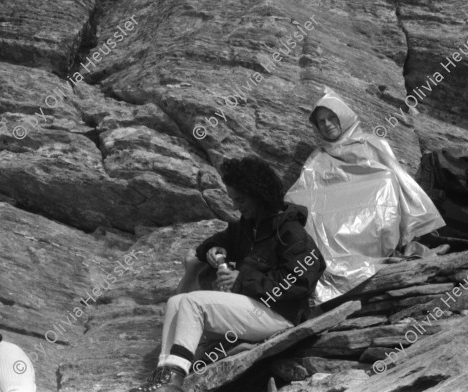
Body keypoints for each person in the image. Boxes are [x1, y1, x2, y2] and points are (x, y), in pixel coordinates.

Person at [130, 157, 325, 392]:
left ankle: (174, 381)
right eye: (233, 200)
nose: (236, 206)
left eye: (240, 199)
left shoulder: (289, 231)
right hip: (254, 309)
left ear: (258, 194)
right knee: (175, 302)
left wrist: (241, 280)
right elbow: (213, 243)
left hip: (281, 314)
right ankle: (161, 381)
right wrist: (213, 250)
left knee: (193, 302)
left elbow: (301, 280)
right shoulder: (247, 226)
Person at [285, 87, 446, 306]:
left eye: (332, 117)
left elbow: (394, 177)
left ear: (343, 116)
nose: (327, 124)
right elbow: (304, 191)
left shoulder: (370, 143)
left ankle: (377, 253)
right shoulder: (318, 157)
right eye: (321, 121)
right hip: (333, 219)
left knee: (385, 181)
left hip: (370, 213)